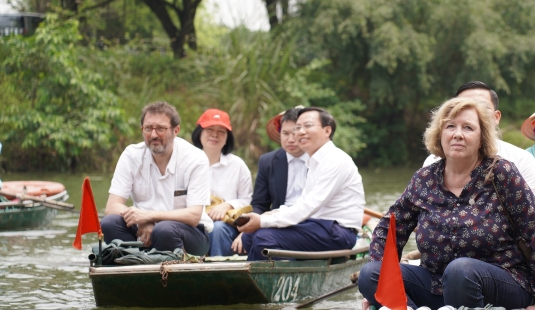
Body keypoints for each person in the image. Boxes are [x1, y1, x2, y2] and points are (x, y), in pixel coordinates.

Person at [359, 97, 535, 310]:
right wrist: (381, 291)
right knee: (370, 274)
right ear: (440, 134)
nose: (458, 134)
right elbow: (388, 229)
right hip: (436, 286)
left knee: (460, 270)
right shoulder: (424, 180)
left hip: (499, 284)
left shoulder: (501, 173)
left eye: (468, 128)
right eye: (450, 126)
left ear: (481, 138)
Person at [235, 107, 365, 260]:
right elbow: (302, 202)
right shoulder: (314, 161)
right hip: (315, 225)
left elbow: (308, 206)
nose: (300, 132)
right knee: (248, 237)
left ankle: (261, 282)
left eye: (308, 126)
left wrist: (262, 221)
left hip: (338, 231)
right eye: (298, 128)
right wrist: (270, 215)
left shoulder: (335, 160)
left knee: (264, 237)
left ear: (327, 131)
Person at [102, 101, 211, 254]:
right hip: (143, 231)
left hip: (190, 233)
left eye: (161, 128)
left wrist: (147, 217)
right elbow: (112, 207)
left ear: (176, 130)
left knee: (163, 230)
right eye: (148, 128)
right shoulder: (131, 155)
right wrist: (143, 222)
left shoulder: (195, 158)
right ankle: (133, 262)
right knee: (109, 223)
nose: (153, 135)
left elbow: (193, 215)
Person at [423, 81, 535, 191]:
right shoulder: (432, 165)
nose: (473, 111)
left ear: (496, 117)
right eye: (462, 106)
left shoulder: (521, 161)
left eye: (481, 107)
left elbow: (529, 209)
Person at [191, 109, 253, 257]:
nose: (215, 134)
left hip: (226, 225)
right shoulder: (187, 163)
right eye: (209, 129)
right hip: (193, 222)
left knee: (217, 228)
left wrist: (227, 205)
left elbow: (248, 200)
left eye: (221, 131)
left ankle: (217, 274)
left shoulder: (237, 165)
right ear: (199, 133)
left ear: (227, 138)